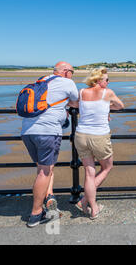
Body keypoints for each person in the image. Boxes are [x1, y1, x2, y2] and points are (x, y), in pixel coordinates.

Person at [21, 61, 78, 227]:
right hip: (47, 131)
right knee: (45, 172)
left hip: (27, 131)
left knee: (43, 168)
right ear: (66, 72)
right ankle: (36, 214)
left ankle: (49, 196)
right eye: (72, 72)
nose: (72, 75)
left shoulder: (42, 80)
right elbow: (76, 102)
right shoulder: (67, 82)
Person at [72, 67, 124, 219]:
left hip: (81, 135)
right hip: (99, 136)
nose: (108, 82)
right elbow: (120, 105)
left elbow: (74, 104)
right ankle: (84, 201)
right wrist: (107, 108)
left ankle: (92, 206)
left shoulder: (82, 92)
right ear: (98, 80)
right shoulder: (107, 93)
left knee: (89, 172)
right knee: (107, 167)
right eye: (106, 79)